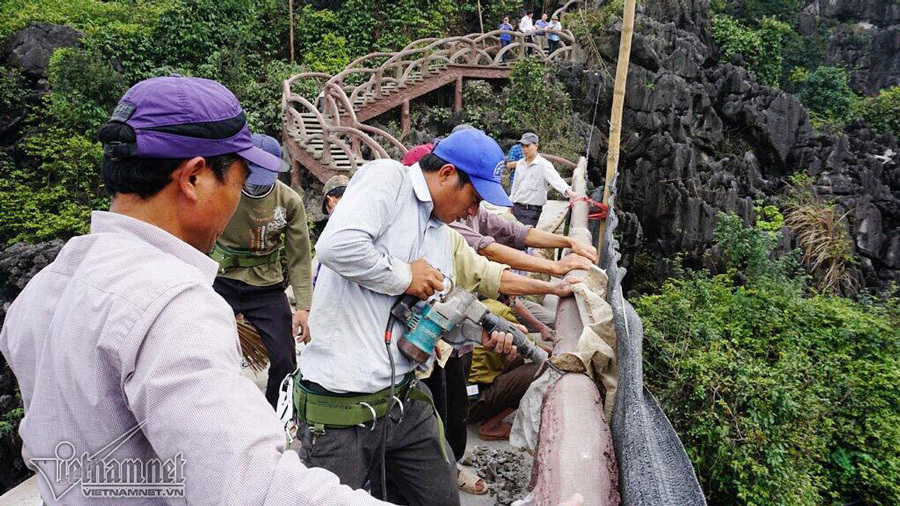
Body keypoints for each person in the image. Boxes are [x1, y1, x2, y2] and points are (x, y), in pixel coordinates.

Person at [0, 75, 392, 505]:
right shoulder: (173, 307)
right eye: (239, 181)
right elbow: (252, 487)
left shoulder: (42, 289)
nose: (240, 198)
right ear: (194, 178)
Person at [295, 128, 521, 505]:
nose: (473, 212)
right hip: (339, 410)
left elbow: (428, 313)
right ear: (447, 173)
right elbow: (335, 246)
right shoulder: (388, 179)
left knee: (440, 499)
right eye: (474, 198)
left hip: (402, 400)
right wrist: (405, 275)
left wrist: (472, 336)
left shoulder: (439, 233)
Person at [212, 133, 312, 408]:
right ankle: (217, 407)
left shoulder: (289, 202)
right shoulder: (221, 191)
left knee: (285, 359)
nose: (254, 187)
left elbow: (300, 257)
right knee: (209, 348)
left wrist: (303, 307)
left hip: (266, 286)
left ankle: (272, 414)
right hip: (221, 280)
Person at [509, 132, 574, 226]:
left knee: (524, 238)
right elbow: (515, 186)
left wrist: (569, 192)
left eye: (528, 146)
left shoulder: (544, 164)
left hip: (532, 210)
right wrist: (509, 205)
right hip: (516, 207)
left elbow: (556, 180)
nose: (525, 149)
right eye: (522, 146)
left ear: (536, 146)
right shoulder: (520, 164)